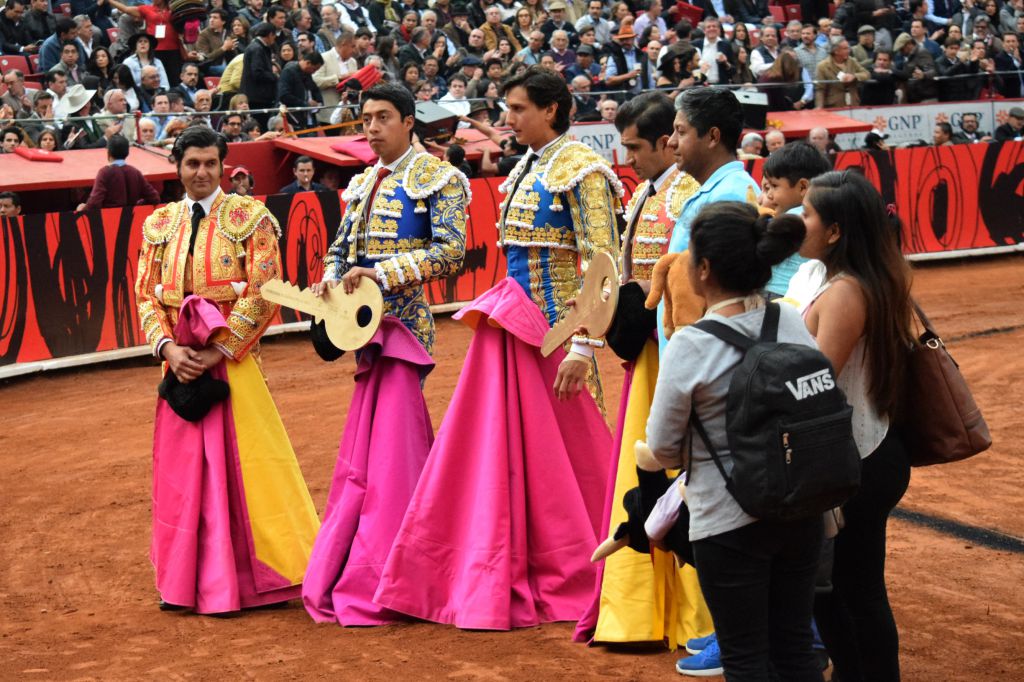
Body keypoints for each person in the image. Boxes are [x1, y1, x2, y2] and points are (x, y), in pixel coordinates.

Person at [375, 66, 620, 631]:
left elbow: (602, 265)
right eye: (507, 109)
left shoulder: (582, 170)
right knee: (520, 458)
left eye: (517, 109)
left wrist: (585, 346)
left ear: (551, 110)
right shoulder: (528, 165)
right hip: (516, 334)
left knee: (576, 453)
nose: (507, 119)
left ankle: (595, 560)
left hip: (558, 336)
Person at [133, 125, 321, 615]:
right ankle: (184, 583)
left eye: (210, 164)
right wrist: (168, 349)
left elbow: (264, 290)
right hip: (179, 367)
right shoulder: (159, 224)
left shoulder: (250, 218)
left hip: (231, 366)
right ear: (177, 167)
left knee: (246, 470)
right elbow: (146, 295)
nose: (201, 172)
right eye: (192, 163)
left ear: (223, 167)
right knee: (183, 478)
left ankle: (252, 580)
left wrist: (219, 351)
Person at [302, 83, 468, 627]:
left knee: (392, 447)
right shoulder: (362, 182)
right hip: (359, 329)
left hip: (403, 329)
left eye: (382, 118)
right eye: (366, 119)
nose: (371, 128)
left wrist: (381, 273)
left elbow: (451, 253)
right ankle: (381, 556)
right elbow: (339, 249)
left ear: (409, 121)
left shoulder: (440, 177)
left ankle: (399, 565)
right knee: (372, 447)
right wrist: (330, 280)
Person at [646, 202, 817, 680]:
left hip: (727, 516)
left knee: (744, 656)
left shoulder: (691, 344)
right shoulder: (789, 320)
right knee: (795, 649)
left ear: (703, 268)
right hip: (801, 506)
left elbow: (662, 448)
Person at [575, 91, 711, 650]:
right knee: (650, 465)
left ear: (665, 142)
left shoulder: (688, 197)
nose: (626, 158)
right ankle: (647, 612)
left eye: (634, 147)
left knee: (675, 467)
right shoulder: (647, 194)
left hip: (673, 351)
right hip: (649, 353)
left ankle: (693, 615)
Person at [800, 170, 914, 682]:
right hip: (860, 452)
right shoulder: (849, 279)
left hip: (857, 460)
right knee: (836, 590)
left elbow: (815, 383)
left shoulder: (846, 291)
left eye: (806, 214)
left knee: (854, 591)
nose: (797, 221)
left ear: (834, 231)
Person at [661, 87, 760, 353]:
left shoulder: (729, 194)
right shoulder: (722, 189)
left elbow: (726, 293)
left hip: (706, 353)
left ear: (713, 136)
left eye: (681, 132)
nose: (671, 142)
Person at [761, 141, 832, 299]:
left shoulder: (794, 217)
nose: (769, 195)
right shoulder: (823, 216)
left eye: (774, 186)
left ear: (802, 187)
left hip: (777, 294)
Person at [76, 134, 161, 212]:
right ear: (127, 153)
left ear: (108, 153)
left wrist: (84, 208)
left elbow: (94, 203)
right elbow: (154, 198)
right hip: (132, 219)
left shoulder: (104, 173)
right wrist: (138, 205)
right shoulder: (135, 172)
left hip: (109, 219)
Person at [313, 32, 358, 125]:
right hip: (328, 113)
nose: (354, 50)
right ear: (343, 44)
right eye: (352, 46)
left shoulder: (353, 62)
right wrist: (339, 78)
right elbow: (315, 81)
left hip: (349, 115)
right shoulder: (324, 58)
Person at [815, 38, 869, 108]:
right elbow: (820, 89)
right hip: (833, 106)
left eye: (848, 48)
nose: (849, 50)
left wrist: (854, 76)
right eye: (845, 48)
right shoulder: (822, 66)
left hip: (853, 105)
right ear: (836, 51)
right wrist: (819, 107)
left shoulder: (852, 61)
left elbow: (866, 74)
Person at [277, 50, 325, 129]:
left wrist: (319, 103)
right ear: (308, 63)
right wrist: (305, 103)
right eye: (314, 69)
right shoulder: (288, 72)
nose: (314, 72)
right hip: (294, 119)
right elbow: (284, 95)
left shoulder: (307, 74)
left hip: (309, 120)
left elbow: (315, 90)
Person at [241, 23, 280, 119]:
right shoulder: (257, 49)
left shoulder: (257, 47)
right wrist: (274, 76)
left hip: (257, 95)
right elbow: (257, 72)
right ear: (270, 35)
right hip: (257, 96)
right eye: (274, 36)